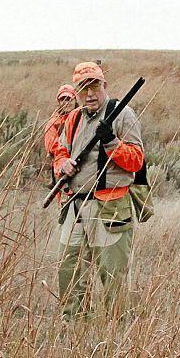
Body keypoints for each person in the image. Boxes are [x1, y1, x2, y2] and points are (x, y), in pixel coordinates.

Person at [51, 62, 144, 319]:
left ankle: (115, 340)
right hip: (74, 208)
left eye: (95, 87)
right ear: (76, 91)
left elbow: (136, 160)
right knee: (68, 274)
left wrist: (111, 142)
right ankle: (73, 335)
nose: (90, 94)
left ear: (104, 86)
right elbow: (59, 151)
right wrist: (62, 164)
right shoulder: (73, 119)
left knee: (112, 279)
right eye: (83, 89)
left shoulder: (123, 115)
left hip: (110, 209)